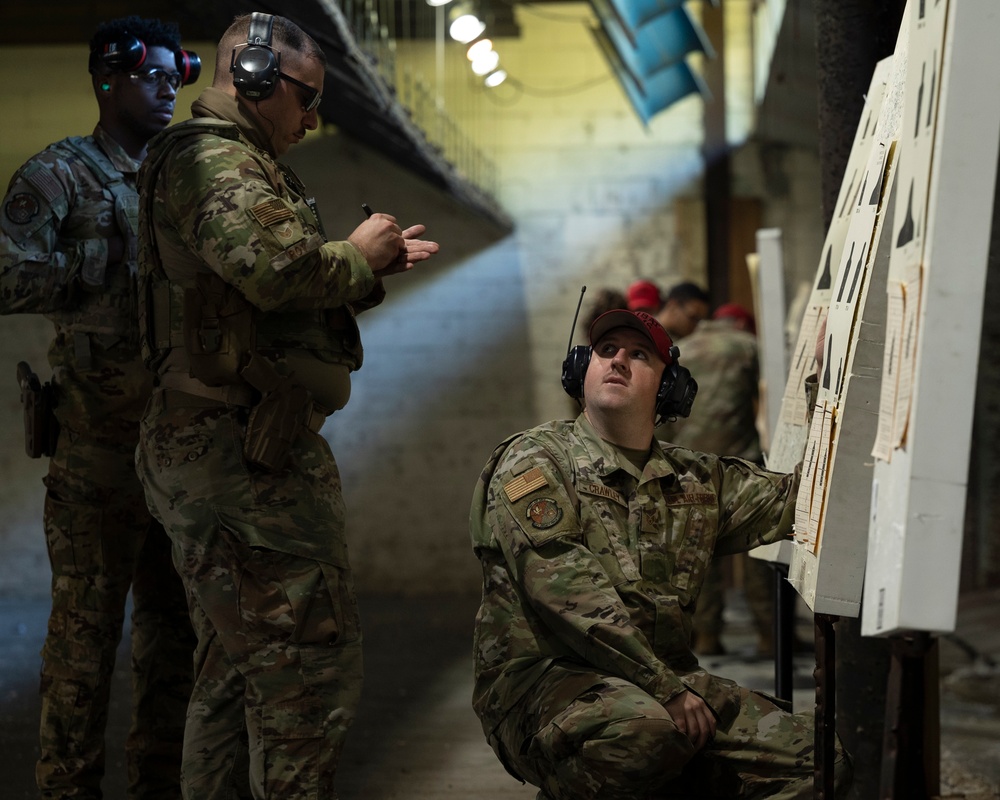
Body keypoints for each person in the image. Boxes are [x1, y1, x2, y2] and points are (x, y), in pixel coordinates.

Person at [133, 12, 439, 799]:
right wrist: (353, 255)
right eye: (306, 99)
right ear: (259, 75)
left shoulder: (236, 163)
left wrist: (366, 271)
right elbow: (275, 272)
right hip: (238, 467)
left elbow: (267, 303)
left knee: (234, 677)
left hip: (234, 455)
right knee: (305, 680)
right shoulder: (213, 162)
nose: (312, 120)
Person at [470, 309, 851, 799]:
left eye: (638, 355)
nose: (618, 361)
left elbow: (807, 497)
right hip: (545, 683)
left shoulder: (694, 478)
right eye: (606, 351)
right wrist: (667, 690)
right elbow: (565, 592)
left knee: (821, 763)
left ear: (671, 388)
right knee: (645, 735)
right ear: (579, 370)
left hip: (664, 685)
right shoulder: (535, 459)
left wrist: (828, 383)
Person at [0, 16, 199, 800]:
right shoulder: (60, 175)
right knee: (83, 647)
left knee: (172, 638)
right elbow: (7, 276)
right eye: (149, 75)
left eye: (172, 76)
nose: (165, 89)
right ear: (106, 79)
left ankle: (159, 783)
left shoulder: (185, 177)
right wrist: (96, 266)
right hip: (94, 455)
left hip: (181, 454)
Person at [657, 303, 779, 658]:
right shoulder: (747, 345)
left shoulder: (686, 349)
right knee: (758, 550)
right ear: (741, 323)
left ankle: (707, 636)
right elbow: (769, 395)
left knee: (700, 553)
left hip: (691, 465)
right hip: (741, 463)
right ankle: (769, 637)